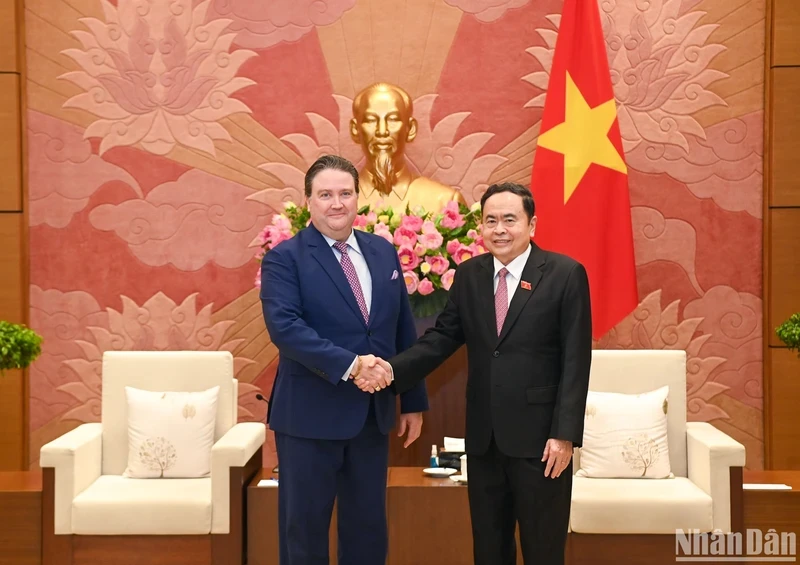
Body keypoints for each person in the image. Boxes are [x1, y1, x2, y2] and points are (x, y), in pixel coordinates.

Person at [356, 182, 592, 565]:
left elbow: (576, 361)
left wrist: (564, 436)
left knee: (543, 549)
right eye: (491, 220)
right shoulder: (469, 276)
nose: (500, 229)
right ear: (480, 227)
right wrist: (389, 371)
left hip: (541, 442)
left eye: (510, 220)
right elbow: (441, 339)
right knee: (488, 547)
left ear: (532, 225)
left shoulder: (565, 274)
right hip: (484, 441)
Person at [260, 154, 428, 565]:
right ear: (308, 201)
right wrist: (353, 366)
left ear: (358, 198)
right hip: (308, 419)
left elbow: (402, 328)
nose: (337, 203)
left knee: (368, 530)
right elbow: (287, 330)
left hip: (372, 417)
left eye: (345, 194)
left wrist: (414, 400)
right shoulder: (285, 259)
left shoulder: (383, 252)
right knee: (305, 532)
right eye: (326, 195)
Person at [350, 82, 467, 213]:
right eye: (371, 120)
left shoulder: (445, 202)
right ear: (355, 130)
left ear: (410, 129)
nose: (382, 131)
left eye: (393, 120)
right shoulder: (334, 204)